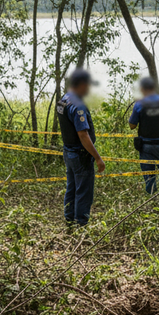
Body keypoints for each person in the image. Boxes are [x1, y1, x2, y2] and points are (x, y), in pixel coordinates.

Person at [57, 68, 105, 227]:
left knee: (71, 188)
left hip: (68, 152)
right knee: (83, 191)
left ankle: (69, 220)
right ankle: (81, 225)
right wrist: (98, 158)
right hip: (80, 155)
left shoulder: (63, 100)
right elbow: (83, 135)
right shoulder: (78, 106)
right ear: (82, 84)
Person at [129, 77, 159, 198]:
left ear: (142, 89)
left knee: (149, 177)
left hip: (146, 147)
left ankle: (152, 203)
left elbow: (132, 125)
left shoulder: (139, 104)